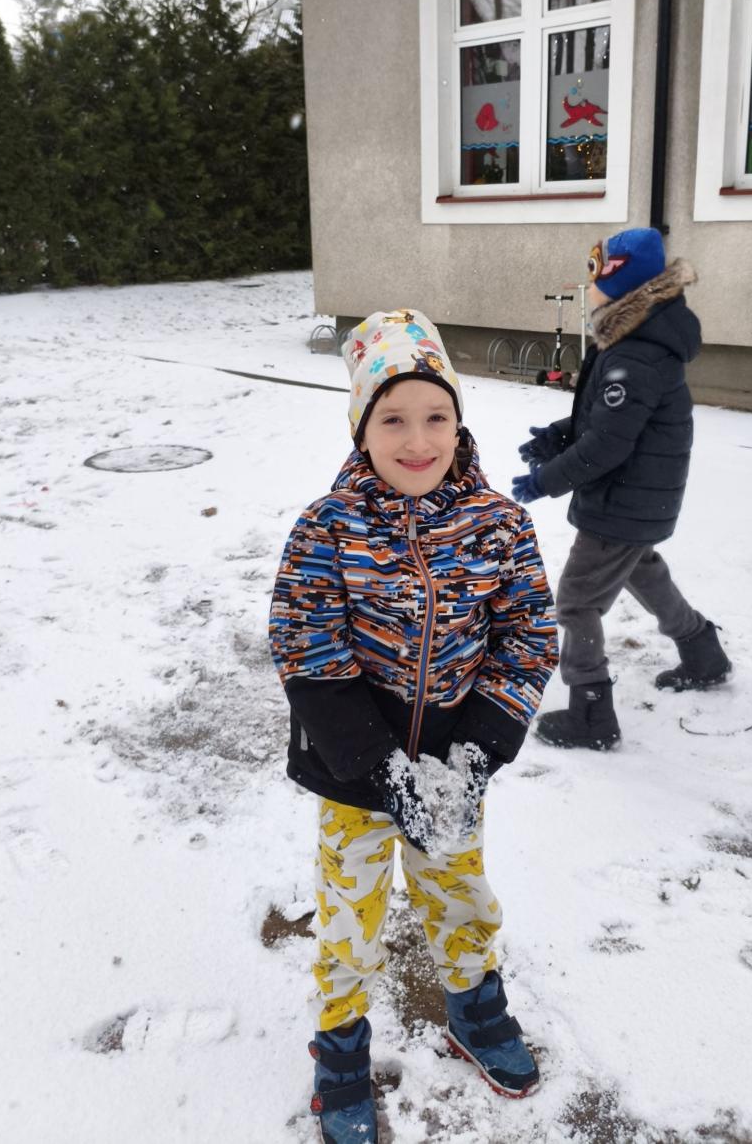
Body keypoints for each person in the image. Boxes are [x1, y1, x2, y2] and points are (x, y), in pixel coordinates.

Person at [270, 309, 558, 1142]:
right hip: (353, 773)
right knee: (350, 918)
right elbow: (307, 645)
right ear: (360, 429)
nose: (418, 439)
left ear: (459, 422)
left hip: (452, 767)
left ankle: (475, 1010)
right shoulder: (327, 528)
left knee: (460, 895)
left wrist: (479, 749)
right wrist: (375, 764)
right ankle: (340, 1049)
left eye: (436, 415)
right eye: (392, 418)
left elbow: (528, 634)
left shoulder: (500, 525)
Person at [512, 227, 731, 752]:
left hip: (623, 499)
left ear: (621, 284)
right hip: (641, 496)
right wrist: (559, 435)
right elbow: (607, 422)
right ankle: (702, 650)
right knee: (642, 571)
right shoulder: (635, 340)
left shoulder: (634, 356)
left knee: (576, 601)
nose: (587, 288)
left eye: (594, 277)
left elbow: (608, 445)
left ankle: (591, 712)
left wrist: (546, 480)